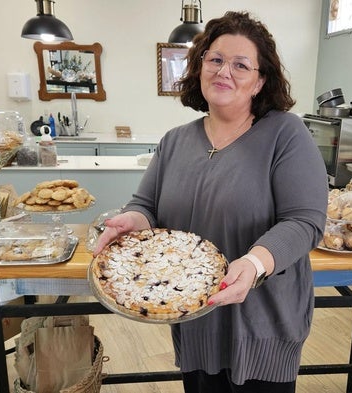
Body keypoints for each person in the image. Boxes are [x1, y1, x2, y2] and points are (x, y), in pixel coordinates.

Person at [94, 11, 328, 393]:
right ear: (200, 67)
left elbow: (304, 221)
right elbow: (146, 205)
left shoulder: (286, 133)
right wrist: (131, 220)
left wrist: (254, 265)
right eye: (215, 59)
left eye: (241, 64)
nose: (224, 72)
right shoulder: (175, 141)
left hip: (262, 322)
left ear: (260, 81)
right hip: (195, 316)